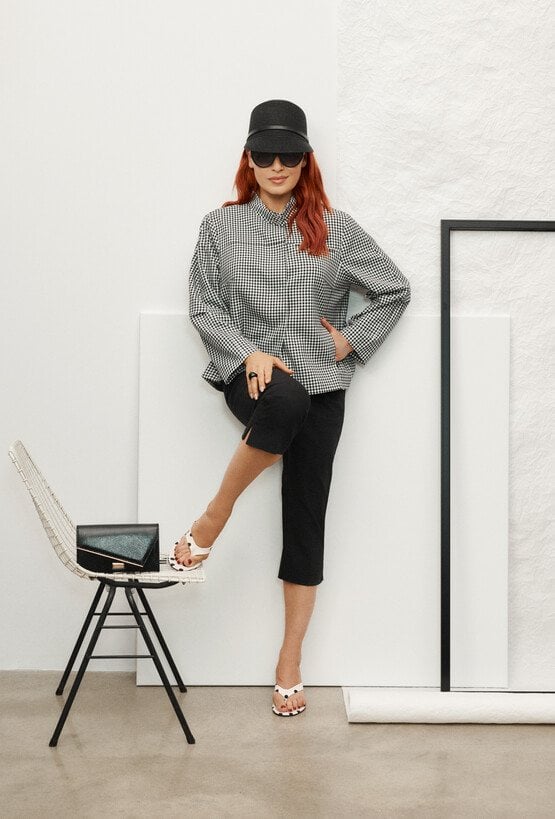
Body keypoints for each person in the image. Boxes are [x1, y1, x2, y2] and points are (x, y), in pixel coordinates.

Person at [169, 99, 411, 717]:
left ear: (305, 162)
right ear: (249, 160)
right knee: (283, 399)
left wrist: (352, 338)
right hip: (252, 378)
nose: (277, 165)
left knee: (307, 517)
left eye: (289, 155)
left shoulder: (336, 229)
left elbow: (394, 288)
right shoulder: (220, 228)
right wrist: (247, 352)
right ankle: (213, 518)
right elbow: (203, 305)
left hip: (322, 385)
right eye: (265, 154)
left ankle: (290, 660)